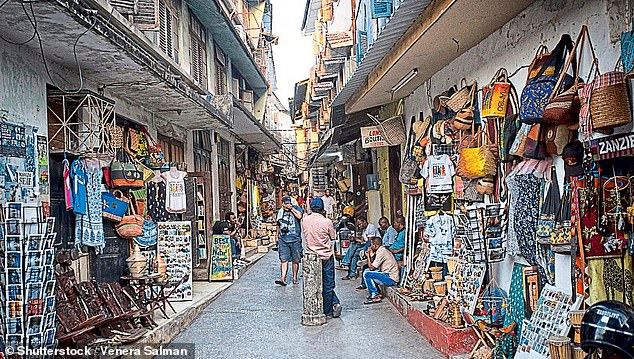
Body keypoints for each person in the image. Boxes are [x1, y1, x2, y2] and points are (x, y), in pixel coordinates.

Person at [303, 197, 342, 319]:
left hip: (311, 257)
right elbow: (333, 236)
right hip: (326, 256)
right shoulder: (327, 222)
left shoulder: (305, 220)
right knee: (328, 284)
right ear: (322, 209)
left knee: (313, 284)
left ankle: (327, 305)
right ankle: (328, 310)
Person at [362, 236, 400, 304]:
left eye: (371, 245)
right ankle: (377, 292)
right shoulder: (381, 250)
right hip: (386, 275)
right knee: (366, 271)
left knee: (367, 274)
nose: (370, 247)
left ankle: (374, 296)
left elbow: (372, 267)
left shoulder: (381, 252)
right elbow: (374, 265)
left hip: (391, 278)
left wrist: (368, 256)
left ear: (375, 245)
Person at [276, 196, 303, 286]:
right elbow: (278, 224)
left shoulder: (296, 208)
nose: (287, 205)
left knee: (296, 259)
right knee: (284, 259)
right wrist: (276, 236)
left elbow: (299, 216)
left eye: (288, 203)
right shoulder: (281, 211)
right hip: (283, 239)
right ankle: (283, 278)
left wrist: (291, 209)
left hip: (295, 238)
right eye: (285, 203)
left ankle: (295, 278)